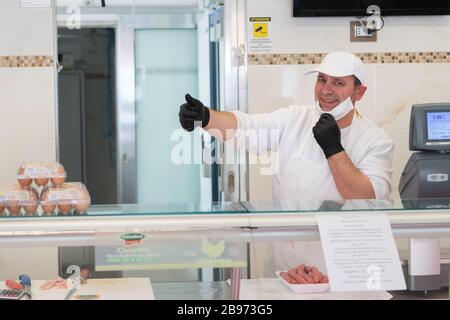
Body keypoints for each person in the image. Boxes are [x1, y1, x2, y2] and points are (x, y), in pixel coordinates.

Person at [179, 51, 395, 274]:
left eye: (338, 83)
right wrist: (206, 118)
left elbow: (368, 197)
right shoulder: (295, 118)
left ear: (359, 92)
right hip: (285, 260)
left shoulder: (376, 140)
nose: (326, 90)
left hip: (337, 263)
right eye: (321, 79)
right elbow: (248, 126)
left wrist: (334, 149)